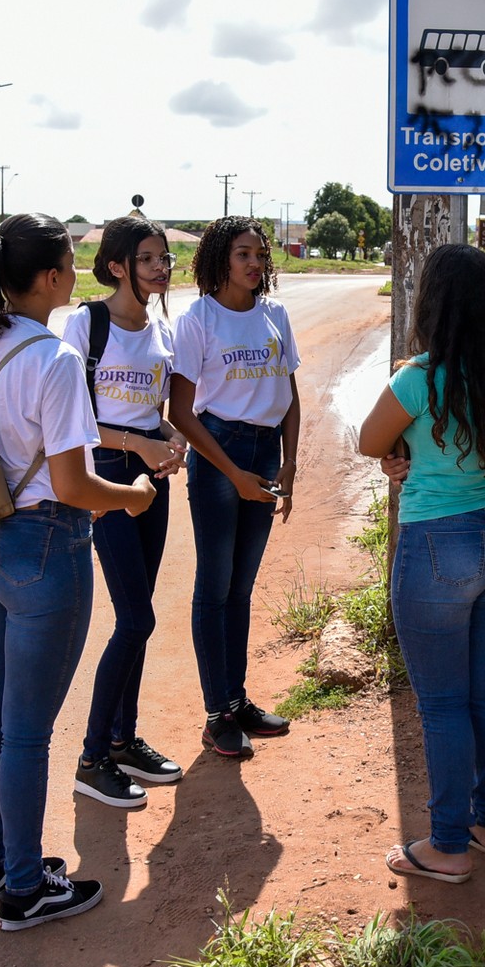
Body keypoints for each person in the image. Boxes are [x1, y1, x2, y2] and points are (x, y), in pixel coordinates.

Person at [0, 212, 157, 931]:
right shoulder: (55, 360)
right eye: (69, 260)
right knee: (27, 731)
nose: (76, 270)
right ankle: (28, 887)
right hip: (43, 547)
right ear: (48, 278)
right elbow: (73, 484)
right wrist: (131, 496)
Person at [356, 243, 485, 883]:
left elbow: (369, 441)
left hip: (438, 543)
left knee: (442, 703)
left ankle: (448, 846)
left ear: (433, 304)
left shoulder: (417, 377)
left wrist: (400, 452)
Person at [62, 215, 189, 809]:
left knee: (138, 615)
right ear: (117, 266)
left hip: (152, 480)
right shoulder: (86, 325)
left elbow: (149, 410)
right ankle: (91, 759)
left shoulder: (160, 329)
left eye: (163, 258)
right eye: (147, 259)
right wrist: (138, 445)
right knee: (135, 620)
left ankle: (121, 738)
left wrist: (168, 437)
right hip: (106, 478)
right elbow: (72, 419)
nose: (161, 267)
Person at [169, 216, 301, 758]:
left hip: (265, 452)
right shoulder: (198, 318)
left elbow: (291, 395)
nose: (255, 263)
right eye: (244, 253)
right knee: (215, 586)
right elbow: (180, 411)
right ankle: (216, 714)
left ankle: (237, 700)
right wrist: (233, 475)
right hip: (219, 452)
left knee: (242, 589)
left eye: (260, 255)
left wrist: (289, 467)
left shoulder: (275, 315)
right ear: (221, 258)